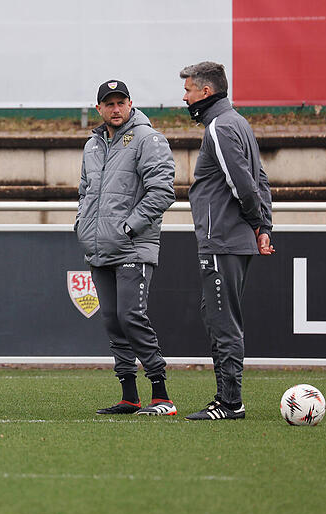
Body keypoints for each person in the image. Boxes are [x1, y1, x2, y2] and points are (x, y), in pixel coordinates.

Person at [179, 61, 274, 421]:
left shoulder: (219, 126)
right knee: (216, 315)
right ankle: (227, 398)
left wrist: (258, 222)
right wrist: (264, 227)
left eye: (188, 90)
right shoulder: (239, 123)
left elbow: (243, 185)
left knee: (222, 320)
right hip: (233, 240)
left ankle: (230, 402)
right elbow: (260, 179)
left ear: (205, 92)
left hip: (222, 241)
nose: (184, 97)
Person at [76, 80, 177, 416]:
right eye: (109, 104)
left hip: (133, 247)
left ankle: (161, 395)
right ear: (99, 108)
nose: (115, 109)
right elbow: (84, 192)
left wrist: (129, 226)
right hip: (100, 247)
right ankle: (130, 396)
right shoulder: (92, 145)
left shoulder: (148, 139)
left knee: (130, 316)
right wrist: (83, 225)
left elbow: (163, 192)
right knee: (112, 321)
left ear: (131, 104)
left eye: (121, 103)